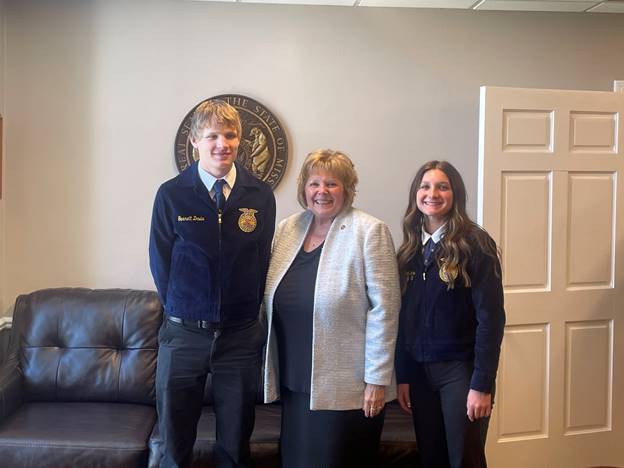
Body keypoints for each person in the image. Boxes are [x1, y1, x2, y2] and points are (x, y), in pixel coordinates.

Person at [149, 99, 276, 468]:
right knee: (174, 446)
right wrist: (184, 307)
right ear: (195, 141)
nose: (223, 144)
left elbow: (263, 259)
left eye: (231, 135)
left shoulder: (259, 195)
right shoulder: (172, 194)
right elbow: (161, 261)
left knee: (235, 446)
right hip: (183, 336)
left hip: (240, 337)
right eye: (213, 136)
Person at [263, 149, 400, 468]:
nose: (321, 191)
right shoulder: (287, 229)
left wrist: (377, 380)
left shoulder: (369, 231)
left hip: (347, 388)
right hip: (294, 382)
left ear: (347, 189)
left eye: (332, 184)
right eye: (314, 183)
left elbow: (385, 310)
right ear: (304, 188)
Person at [395, 160, 505, 468]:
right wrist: (403, 376)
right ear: (416, 194)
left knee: (464, 460)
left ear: (455, 194)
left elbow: (491, 320)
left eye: (442, 187)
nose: (432, 194)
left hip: (461, 372)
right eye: (425, 187)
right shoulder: (410, 250)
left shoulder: (476, 244)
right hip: (420, 374)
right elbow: (403, 319)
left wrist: (481, 385)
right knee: (432, 458)